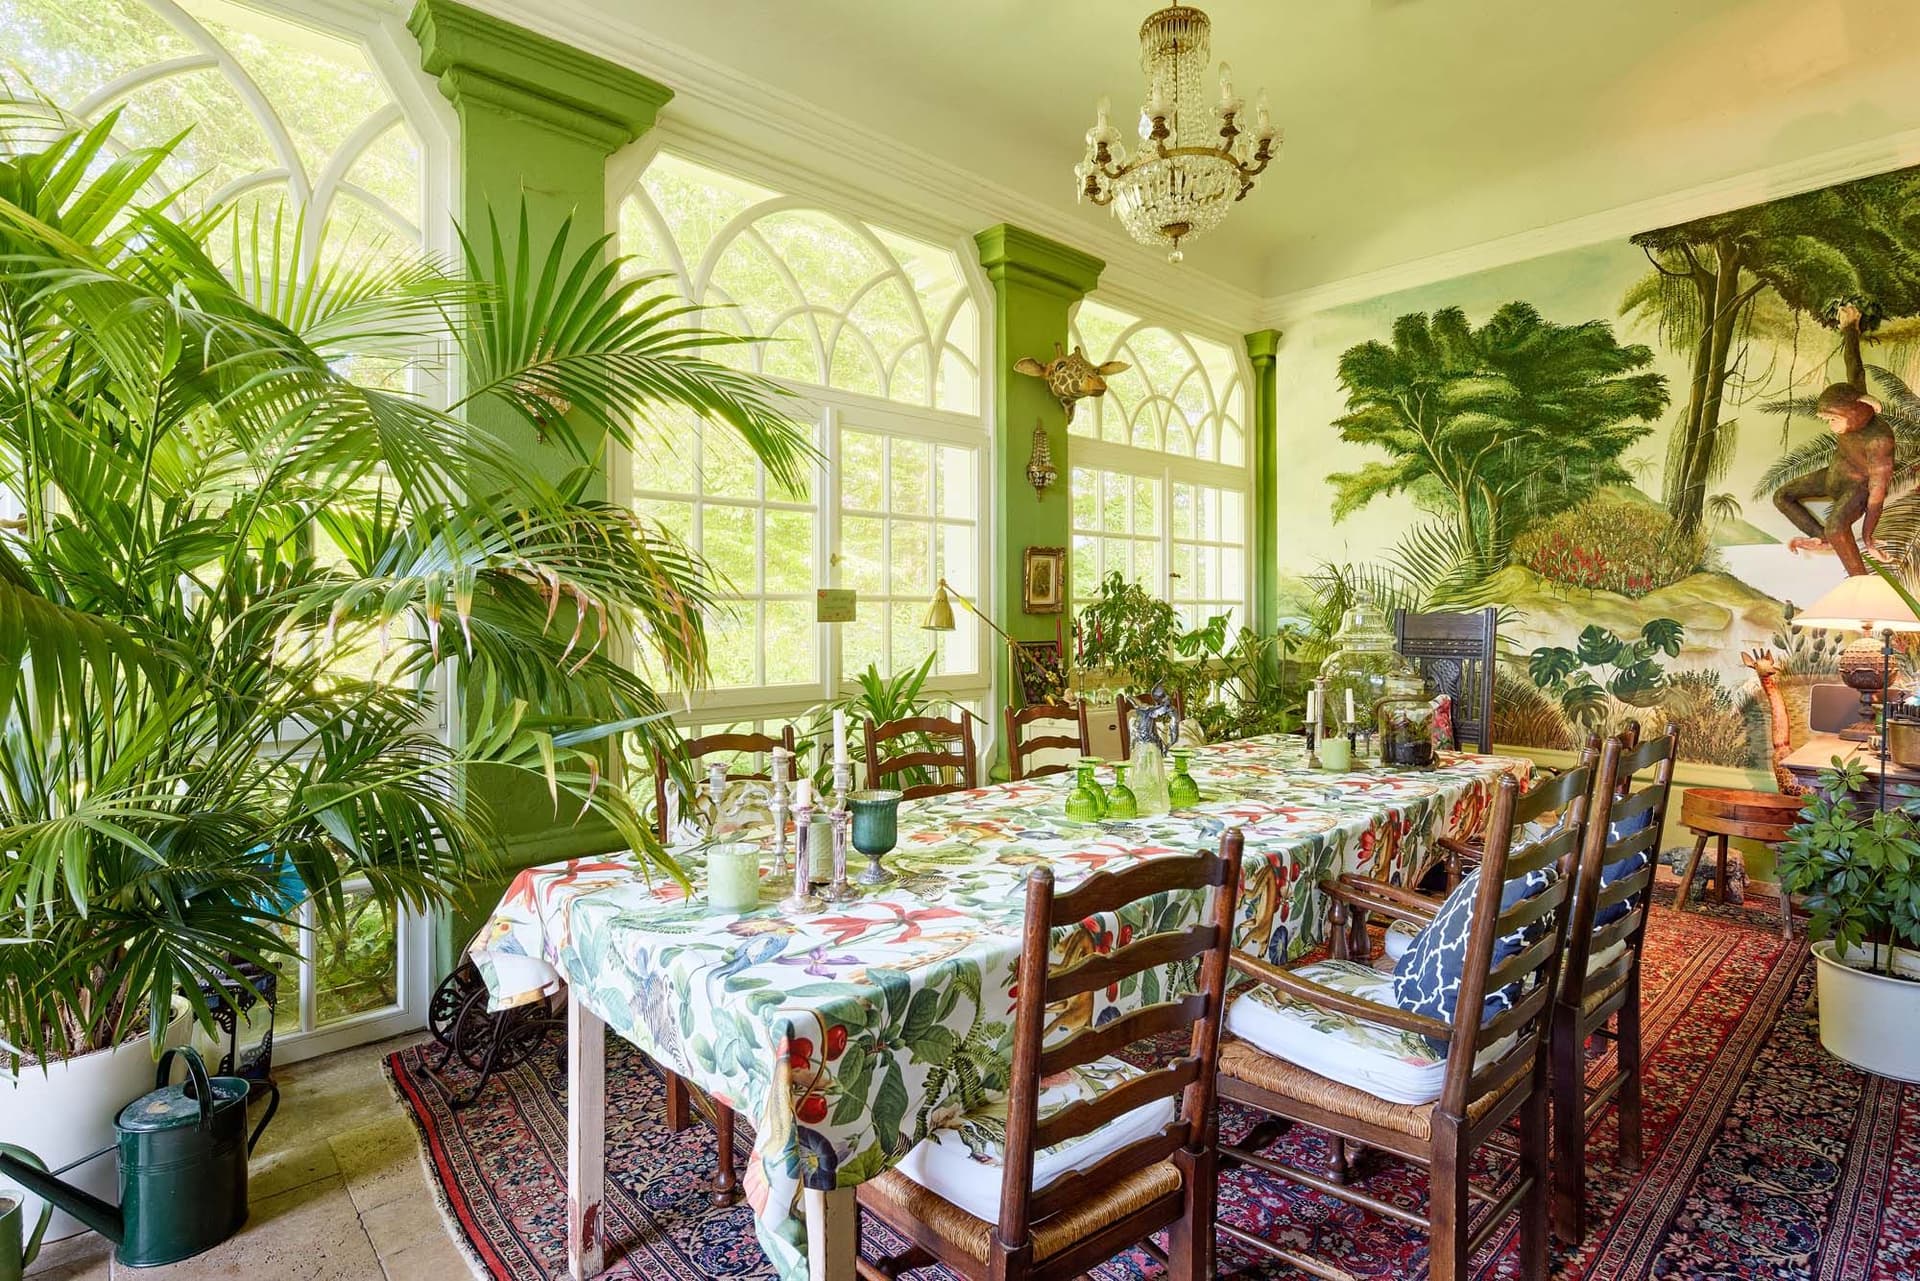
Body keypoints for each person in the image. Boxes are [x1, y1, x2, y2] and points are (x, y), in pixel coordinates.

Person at [1773, 303, 1895, 576]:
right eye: (1827, 419)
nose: (1831, 426)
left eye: (1833, 418)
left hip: (1856, 489)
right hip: (1832, 475)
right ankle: (1823, 538)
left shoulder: (1878, 439)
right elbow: (1854, 365)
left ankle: (1858, 580)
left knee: (1837, 526)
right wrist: (1850, 328)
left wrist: (1869, 536)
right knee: (1782, 496)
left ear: (1857, 409)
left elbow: (1876, 495)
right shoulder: (1857, 399)